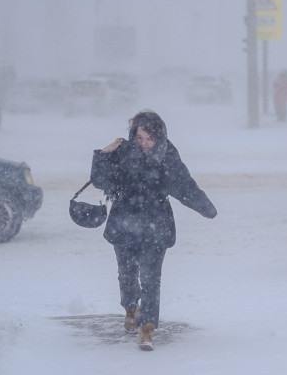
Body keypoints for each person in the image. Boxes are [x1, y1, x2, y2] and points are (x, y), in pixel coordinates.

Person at [91, 110, 217, 351]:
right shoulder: (124, 152)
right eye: (139, 137)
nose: (144, 143)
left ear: (159, 137)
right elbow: (101, 181)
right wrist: (104, 154)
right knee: (126, 273)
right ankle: (130, 308)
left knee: (151, 279)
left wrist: (206, 208)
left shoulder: (168, 155)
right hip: (125, 222)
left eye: (149, 139)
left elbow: (184, 186)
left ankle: (147, 326)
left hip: (155, 225)